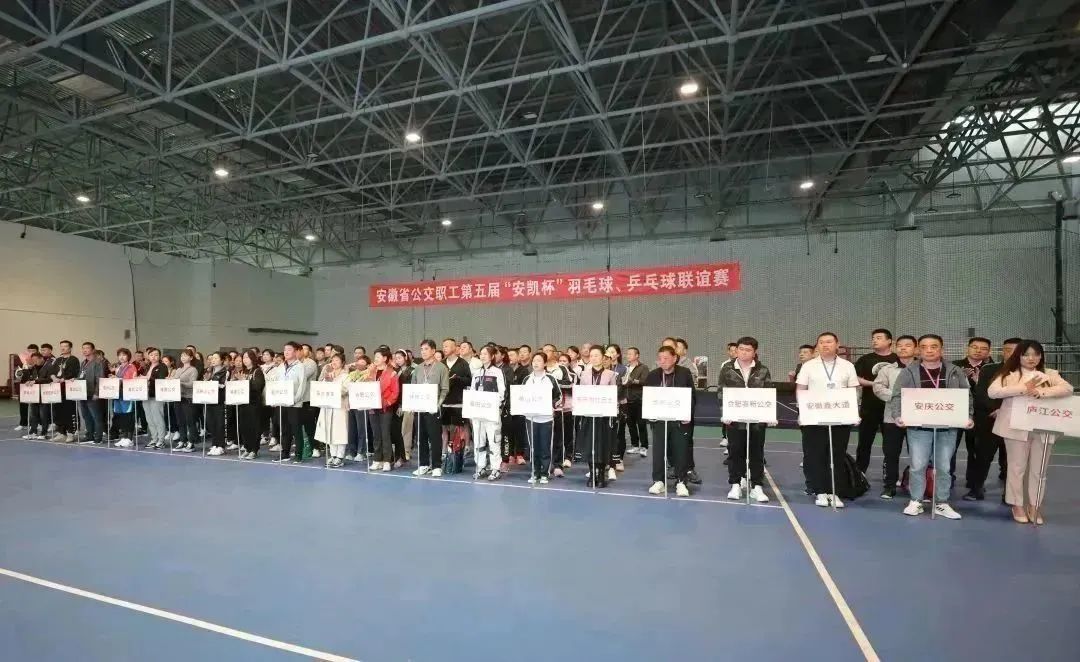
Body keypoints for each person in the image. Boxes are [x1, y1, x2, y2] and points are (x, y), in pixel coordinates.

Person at [987, 340, 1074, 524]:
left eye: (1036, 354)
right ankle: (1017, 504)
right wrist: (1023, 388)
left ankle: (1035, 505)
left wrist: (1042, 392)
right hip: (1015, 427)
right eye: (1026, 354)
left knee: (1039, 470)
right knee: (1016, 468)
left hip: (1043, 428)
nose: (1031, 358)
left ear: (1041, 356)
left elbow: (1068, 388)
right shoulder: (1008, 374)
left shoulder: (1050, 374)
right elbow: (993, 392)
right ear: (1018, 356)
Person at [888, 335, 972, 519]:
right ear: (919, 350)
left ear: (941, 349)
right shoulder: (909, 371)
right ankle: (916, 501)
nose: (929, 350)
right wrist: (898, 415)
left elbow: (966, 395)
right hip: (918, 427)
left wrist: (968, 416)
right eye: (924, 347)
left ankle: (942, 502)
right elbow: (897, 395)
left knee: (944, 466)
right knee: (918, 465)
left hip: (947, 426)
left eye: (934, 346)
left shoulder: (955, 371)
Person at [796, 332, 861, 508]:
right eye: (822, 342)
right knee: (815, 454)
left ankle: (834, 491)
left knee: (837, 454)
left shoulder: (847, 366)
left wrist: (854, 412)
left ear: (837, 344)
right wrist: (802, 412)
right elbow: (801, 389)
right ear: (817, 346)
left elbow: (854, 390)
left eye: (829, 342)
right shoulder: (808, 366)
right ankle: (819, 491)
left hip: (840, 417)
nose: (825, 345)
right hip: (814, 417)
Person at [965, 338, 1021, 501]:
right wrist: (996, 409)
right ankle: (976, 489)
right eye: (1008, 350)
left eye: (1016, 350)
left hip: (1015, 421)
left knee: (1011, 459)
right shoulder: (989, 369)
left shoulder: (1026, 373)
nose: (1011, 353)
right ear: (1002, 351)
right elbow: (982, 394)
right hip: (989, 420)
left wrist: (1005, 411)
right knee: (982, 456)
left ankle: (1009, 494)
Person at [719, 337, 772, 503]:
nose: (743, 352)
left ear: (755, 352)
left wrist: (769, 415)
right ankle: (735, 484)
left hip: (757, 420)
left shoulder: (763, 370)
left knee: (756, 453)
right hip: (734, 419)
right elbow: (721, 392)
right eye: (741, 349)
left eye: (748, 350)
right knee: (735, 452)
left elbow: (768, 392)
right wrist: (725, 413)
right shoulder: (727, 369)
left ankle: (757, 486)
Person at [645, 346, 694, 497]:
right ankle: (658, 481)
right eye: (660, 358)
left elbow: (692, 395)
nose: (663, 361)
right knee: (658, 451)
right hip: (659, 420)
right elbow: (647, 396)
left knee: (681, 451)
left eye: (666, 358)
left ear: (674, 358)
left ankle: (681, 481)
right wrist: (650, 414)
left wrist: (688, 414)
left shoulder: (684, 373)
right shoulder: (653, 375)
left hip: (679, 420)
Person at [873, 335, 917, 499]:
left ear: (916, 349)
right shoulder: (887, 369)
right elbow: (878, 388)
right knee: (890, 454)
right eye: (900, 345)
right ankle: (889, 486)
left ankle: (916, 487)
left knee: (919, 456)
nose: (903, 348)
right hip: (892, 418)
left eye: (908, 345)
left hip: (917, 418)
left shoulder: (922, 368)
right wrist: (898, 396)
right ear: (895, 348)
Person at [853, 329, 898, 475]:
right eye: (873, 338)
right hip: (869, 407)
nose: (874, 340)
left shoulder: (897, 359)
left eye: (878, 338)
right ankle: (860, 474)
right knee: (864, 443)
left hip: (891, 409)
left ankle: (890, 474)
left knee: (890, 445)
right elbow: (854, 378)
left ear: (889, 341)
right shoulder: (865, 359)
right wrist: (875, 385)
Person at [950, 336, 993, 487]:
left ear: (989, 352)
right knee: (950, 448)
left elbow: (994, 393)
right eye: (975, 347)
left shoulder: (991, 368)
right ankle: (948, 478)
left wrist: (979, 382)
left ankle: (973, 482)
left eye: (983, 348)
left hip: (979, 414)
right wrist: (959, 378)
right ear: (967, 348)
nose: (978, 351)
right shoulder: (953, 365)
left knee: (975, 449)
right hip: (955, 412)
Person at [577, 346, 617, 487]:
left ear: (603, 357)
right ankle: (592, 472)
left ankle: (601, 474)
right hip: (588, 414)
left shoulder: (611, 374)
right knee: (590, 444)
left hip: (604, 416)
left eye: (596, 355)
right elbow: (580, 394)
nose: (593, 358)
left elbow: (613, 395)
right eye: (591, 356)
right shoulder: (584, 374)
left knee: (602, 444)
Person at [412, 340, 450, 477]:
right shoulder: (418, 368)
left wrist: (438, 404)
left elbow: (445, 389)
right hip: (420, 408)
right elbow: (413, 387)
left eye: (426, 349)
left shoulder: (441, 368)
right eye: (421, 349)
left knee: (435, 438)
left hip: (433, 408)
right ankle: (423, 464)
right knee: (421, 437)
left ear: (433, 351)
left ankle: (436, 466)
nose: (423, 351)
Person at [523, 353, 561, 484]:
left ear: (545, 363)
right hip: (531, 418)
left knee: (545, 446)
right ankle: (535, 472)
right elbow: (521, 396)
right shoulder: (527, 379)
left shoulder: (550, 378)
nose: (535, 363)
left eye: (539, 361)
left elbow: (559, 396)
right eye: (534, 361)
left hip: (546, 418)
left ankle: (545, 473)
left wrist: (551, 405)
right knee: (533, 447)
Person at [469, 345, 506, 480]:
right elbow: (472, 391)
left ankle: (495, 468)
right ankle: (481, 467)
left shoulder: (497, 372)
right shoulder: (477, 373)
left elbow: (502, 392)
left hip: (491, 413)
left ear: (492, 356)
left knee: (494, 440)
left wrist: (495, 406)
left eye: (485, 354)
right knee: (479, 440)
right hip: (478, 413)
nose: (483, 356)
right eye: (481, 354)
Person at [275, 342, 311, 463]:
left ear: (296, 352)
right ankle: (285, 453)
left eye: (289, 350)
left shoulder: (300, 366)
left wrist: (295, 399)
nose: (286, 352)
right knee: (284, 429)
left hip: (295, 403)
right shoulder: (281, 366)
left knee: (296, 429)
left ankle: (298, 455)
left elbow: (302, 385)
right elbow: (276, 383)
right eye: (285, 350)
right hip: (282, 402)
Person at [367, 347, 400, 472]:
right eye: (375, 357)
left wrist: (387, 402)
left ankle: (387, 460)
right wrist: (369, 374)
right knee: (376, 434)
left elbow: (395, 392)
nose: (375, 359)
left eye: (378, 357)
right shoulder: (371, 371)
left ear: (385, 358)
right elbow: (365, 386)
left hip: (386, 408)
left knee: (385, 434)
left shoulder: (392, 373)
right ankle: (377, 459)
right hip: (372, 406)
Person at [314, 353, 350, 467]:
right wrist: (327, 381)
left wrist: (333, 383)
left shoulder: (346, 376)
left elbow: (345, 391)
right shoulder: (328, 375)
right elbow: (321, 389)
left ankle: (340, 456)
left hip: (340, 407)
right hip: (328, 407)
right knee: (329, 431)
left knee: (340, 431)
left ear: (342, 363)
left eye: (337, 360)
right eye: (333, 360)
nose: (334, 362)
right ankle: (333, 455)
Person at [48, 340, 81, 442]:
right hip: (57, 390)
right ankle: (61, 432)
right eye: (61, 346)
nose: (63, 348)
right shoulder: (58, 360)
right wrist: (54, 378)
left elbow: (73, 373)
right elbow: (51, 371)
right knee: (58, 411)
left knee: (69, 411)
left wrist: (62, 379)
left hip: (68, 389)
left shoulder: (73, 359)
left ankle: (70, 433)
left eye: (65, 346)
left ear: (70, 348)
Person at [236, 350, 266, 460]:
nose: (245, 360)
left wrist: (245, 381)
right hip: (243, 403)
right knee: (244, 427)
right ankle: (247, 448)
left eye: (247, 357)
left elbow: (258, 386)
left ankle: (254, 449)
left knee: (254, 427)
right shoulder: (242, 371)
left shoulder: (257, 371)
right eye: (243, 357)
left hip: (254, 404)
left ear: (252, 358)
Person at [76, 341, 106, 445]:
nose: (85, 350)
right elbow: (81, 376)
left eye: (87, 348)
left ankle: (98, 437)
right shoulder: (83, 363)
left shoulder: (98, 362)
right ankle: (89, 435)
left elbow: (100, 378)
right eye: (83, 348)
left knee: (96, 416)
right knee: (86, 415)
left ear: (93, 350)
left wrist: (97, 392)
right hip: (83, 393)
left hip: (93, 393)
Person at [622, 347, 649, 457]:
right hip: (627, 400)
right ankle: (635, 445)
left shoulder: (643, 367)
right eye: (627, 354)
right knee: (631, 425)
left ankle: (644, 446)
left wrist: (632, 380)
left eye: (630, 354)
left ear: (637, 355)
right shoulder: (626, 367)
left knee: (641, 424)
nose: (628, 356)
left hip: (639, 400)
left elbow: (645, 381)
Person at [141, 347, 169, 449]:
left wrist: (147, 378)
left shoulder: (162, 366)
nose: (154, 357)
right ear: (148, 356)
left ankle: (161, 440)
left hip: (157, 395)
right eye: (151, 355)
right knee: (149, 419)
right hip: (145, 395)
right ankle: (154, 439)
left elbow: (160, 379)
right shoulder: (147, 367)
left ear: (159, 356)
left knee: (158, 418)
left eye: (156, 355)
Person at [112, 348, 139, 448]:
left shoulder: (131, 367)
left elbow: (130, 380)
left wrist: (117, 379)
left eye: (124, 355)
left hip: (127, 395)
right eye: (120, 355)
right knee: (120, 416)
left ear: (128, 356)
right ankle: (124, 437)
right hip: (118, 395)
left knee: (128, 416)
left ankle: (130, 439)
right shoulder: (118, 368)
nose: (121, 357)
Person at [203, 352, 229, 456]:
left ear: (222, 360)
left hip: (219, 401)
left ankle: (221, 446)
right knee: (211, 423)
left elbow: (225, 385)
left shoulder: (225, 372)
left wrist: (214, 385)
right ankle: (214, 444)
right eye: (212, 358)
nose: (213, 360)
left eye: (216, 358)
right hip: (210, 400)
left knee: (219, 424)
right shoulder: (210, 371)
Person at [174, 350, 199, 452]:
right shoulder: (178, 370)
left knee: (190, 421)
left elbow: (192, 384)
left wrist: (180, 383)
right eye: (182, 356)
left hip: (188, 398)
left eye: (185, 356)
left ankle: (191, 442)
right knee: (180, 421)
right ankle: (182, 440)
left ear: (191, 358)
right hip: (178, 397)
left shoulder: (193, 370)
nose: (183, 357)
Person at [392, 349, 413, 467]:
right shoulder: (396, 371)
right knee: (397, 431)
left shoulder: (411, 371)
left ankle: (406, 453)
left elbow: (408, 390)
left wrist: (402, 404)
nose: (398, 360)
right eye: (396, 358)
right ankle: (398, 455)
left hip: (407, 404)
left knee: (406, 430)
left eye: (400, 358)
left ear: (405, 358)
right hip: (396, 405)